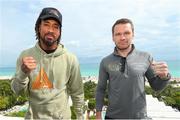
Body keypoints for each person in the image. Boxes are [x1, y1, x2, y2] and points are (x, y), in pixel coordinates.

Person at [11, 7, 84, 119]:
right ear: (38, 27)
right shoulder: (25, 56)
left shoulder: (70, 59)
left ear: (59, 32)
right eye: (46, 24)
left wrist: (80, 117)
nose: (51, 30)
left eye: (56, 27)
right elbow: (16, 91)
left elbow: (77, 93)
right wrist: (22, 73)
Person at [95, 18, 171, 119]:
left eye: (126, 33)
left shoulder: (146, 57)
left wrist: (163, 77)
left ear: (133, 34)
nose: (122, 37)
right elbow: (100, 89)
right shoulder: (105, 61)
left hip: (139, 117)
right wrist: (98, 116)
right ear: (113, 37)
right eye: (118, 34)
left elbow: (156, 87)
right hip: (112, 117)